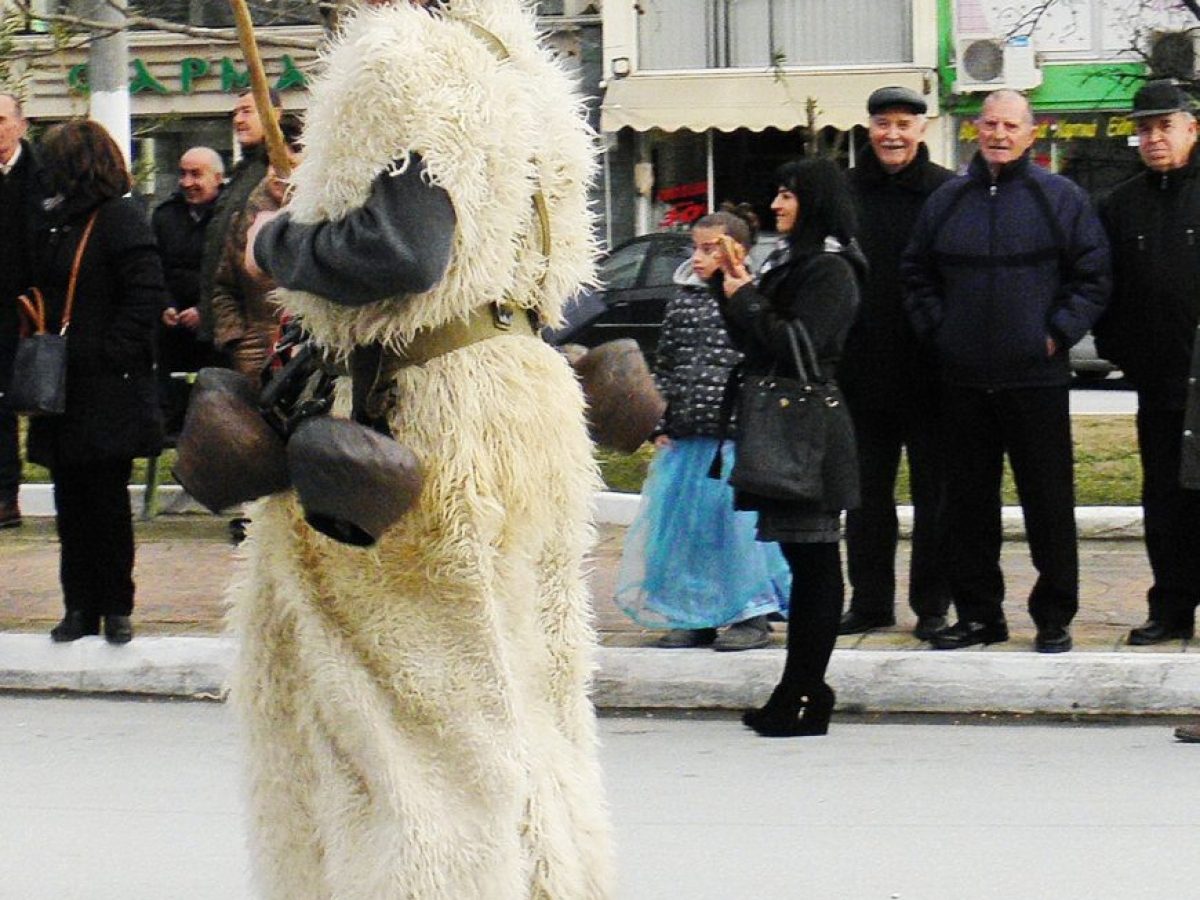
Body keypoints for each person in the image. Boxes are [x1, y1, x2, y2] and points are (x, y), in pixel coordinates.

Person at [235, 0, 613, 895]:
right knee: (532, 699)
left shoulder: (402, 57)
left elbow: (405, 250)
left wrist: (277, 240)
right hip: (522, 403)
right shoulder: (515, 60)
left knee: (414, 725)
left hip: (420, 416)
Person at [902, 90, 1110, 653]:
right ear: (976, 130)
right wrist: (941, 333)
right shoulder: (947, 201)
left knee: (1049, 503)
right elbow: (915, 273)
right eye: (989, 123)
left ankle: (1054, 616)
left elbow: (1092, 276)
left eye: (1010, 125)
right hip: (963, 381)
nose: (998, 133)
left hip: (1036, 380)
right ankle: (979, 617)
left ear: (1031, 133)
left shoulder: (1060, 198)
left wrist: (1056, 332)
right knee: (967, 506)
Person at [718, 158, 864, 737]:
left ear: (816, 201)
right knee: (806, 561)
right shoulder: (795, 261)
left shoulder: (831, 269)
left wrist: (749, 297)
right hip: (788, 426)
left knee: (816, 561)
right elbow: (758, 340)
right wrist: (728, 289)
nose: (776, 205)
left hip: (809, 433)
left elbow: (801, 347)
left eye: (787, 195)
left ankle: (802, 693)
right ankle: (804, 689)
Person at [615, 205, 791, 651]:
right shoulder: (684, 300)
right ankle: (694, 614)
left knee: (735, 531)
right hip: (688, 438)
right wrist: (660, 419)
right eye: (696, 248)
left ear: (739, 251)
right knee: (686, 532)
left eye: (711, 249)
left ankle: (749, 613)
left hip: (732, 439)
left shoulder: (754, 299)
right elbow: (667, 365)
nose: (699, 257)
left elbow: (767, 362)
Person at [26, 120, 166, 644]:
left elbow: (146, 293)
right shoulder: (58, 222)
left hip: (107, 387)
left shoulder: (119, 219)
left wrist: (112, 353)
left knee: (106, 500)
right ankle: (78, 606)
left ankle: (115, 606)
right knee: (71, 501)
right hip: (65, 388)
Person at [840, 85, 954, 641]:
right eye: (882, 123)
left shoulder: (947, 192)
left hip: (931, 372)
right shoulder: (844, 193)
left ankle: (932, 604)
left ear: (922, 129)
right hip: (860, 371)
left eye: (903, 124)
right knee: (863, 499)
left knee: (935, 496)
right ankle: (869, 602)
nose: (892, 135)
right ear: (869, 130)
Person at [1093, 79, 1200, 647]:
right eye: (1145, 128)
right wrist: (1122, 352)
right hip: (1157, 382)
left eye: (1165, 125)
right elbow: (1105, 289)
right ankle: (1172, 608)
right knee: (1163, 500)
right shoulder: (1121, 203)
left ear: (1192, 127)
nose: (1155, 137)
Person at [210, 118, 301, 379]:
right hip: (256, 354)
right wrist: (238, 339)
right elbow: (223, 286)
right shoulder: (245, 219)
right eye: (272, 163)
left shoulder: (329, 220)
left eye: (289, 165)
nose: (277, 173)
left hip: (312, 353)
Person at [197, 87, 280, 348]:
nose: (238, 120)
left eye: (247, 111)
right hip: (234, 328)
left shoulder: (277, 174)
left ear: (274, 114)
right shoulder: (243, 174)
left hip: (262, 332)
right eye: (235, 113)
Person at [0, 92, 49, 529]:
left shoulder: (43, 176)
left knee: (34, 393)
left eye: (0, 121)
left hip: (30, 307)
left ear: (20, 124)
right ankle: (4, 495)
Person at [151, 146, 223, 432]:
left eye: (196, 174)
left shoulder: (229, 217)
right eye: (182, 174)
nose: (187, 182)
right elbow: (154, 266)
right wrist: (164, 304)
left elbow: (228, 272)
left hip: (215, 329)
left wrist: (206, 310)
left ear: (218, 178)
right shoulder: (164, 216)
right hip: (171, 331)